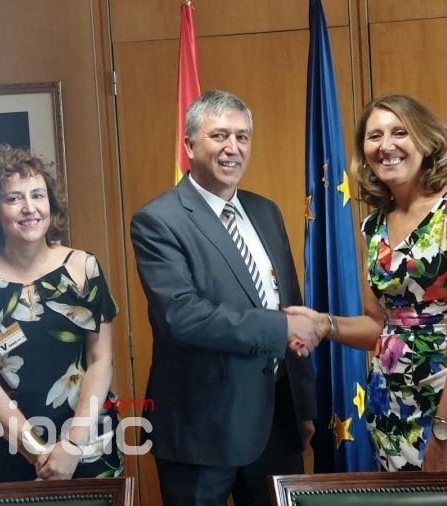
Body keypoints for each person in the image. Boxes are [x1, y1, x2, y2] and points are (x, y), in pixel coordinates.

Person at [286, 94, 447, 472]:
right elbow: (380, 326)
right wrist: (324, 324)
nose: (386, 146)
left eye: (399, 132)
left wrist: (445, 431)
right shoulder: (373, 226)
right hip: (392, 405)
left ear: (427, 141)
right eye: (374, 136)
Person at [129, 90, 320, 505]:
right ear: (189, 145)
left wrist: (303, 405)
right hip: (200, 431)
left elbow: (289, 301)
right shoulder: (158, 221)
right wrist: (282, 327)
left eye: (242, 136)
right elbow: (182, 316)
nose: (233, 148)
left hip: (276, 424)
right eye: (219, 136)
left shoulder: (266, 211)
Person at [0, 145, 123, 482]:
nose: (29, 208)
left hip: (87, 442)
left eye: (37, 195)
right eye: (14, 198)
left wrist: (72, 445)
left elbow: (101, 359)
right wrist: (37, 453)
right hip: (9, 447)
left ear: (50, 204)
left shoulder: (83, 269)